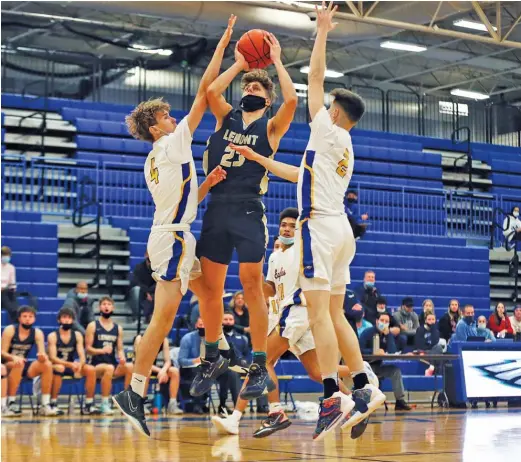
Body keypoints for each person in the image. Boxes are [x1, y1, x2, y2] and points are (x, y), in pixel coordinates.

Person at [230, 3, 386, 440]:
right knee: (336, 315)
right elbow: (299, 175)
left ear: (336, 113)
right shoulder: (344, 147)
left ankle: (333, 397)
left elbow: (314, 79)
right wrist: (259, 158)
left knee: (320, 314)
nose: (325, 104)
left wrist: (320, 31)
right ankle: (364, 386)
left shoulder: (327, 130)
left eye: (330, 105)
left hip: (318, 227)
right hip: (339, 230)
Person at [112, 16, 235, 437]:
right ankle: (135, 392)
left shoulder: (155, 158)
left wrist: (208, 185)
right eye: (166, 115)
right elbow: (206, 92)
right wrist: (229, 52)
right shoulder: (172, 142)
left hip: (172, 233)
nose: (173, 117)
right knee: (161, 321)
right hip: (173, 239)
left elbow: (179, 203)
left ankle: (214, 353)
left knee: (211, 293)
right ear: (155, 126)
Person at [192, 21, 298, 401]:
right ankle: (211, 355)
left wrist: (278, 62)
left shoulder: (271, 127)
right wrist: (238, 64)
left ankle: (256, 363)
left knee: (252, 286)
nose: (249, 89)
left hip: (249, 210)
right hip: (217, 208)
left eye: (256, 86)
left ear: (266, 99)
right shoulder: (226, 118)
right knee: (210, 288)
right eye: (247, 87)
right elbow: (209, 90)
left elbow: (293, 102)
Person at [211, 207, 371, 439]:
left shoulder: (302, 251)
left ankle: (273, 413)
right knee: (317, 372)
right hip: (287, 314)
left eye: (292, 225)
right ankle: (355, 401)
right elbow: (271, 289)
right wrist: (251, 284)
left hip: (299, 310)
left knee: (261, 360)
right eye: (284, 225)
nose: (287, 228)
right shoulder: (275, 256)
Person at [1, 306, 58, 416]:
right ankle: (11, 402)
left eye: (30, 316)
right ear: (19, 318)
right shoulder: (10, 330)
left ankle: (45, 404)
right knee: (18, 363)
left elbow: (41, 353)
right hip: (7, 364)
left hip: (23, 365)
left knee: (47, 364)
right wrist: (13, 357)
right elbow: (2, 352)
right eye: (25, 316)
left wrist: (42, 357)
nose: (28, 319)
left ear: (34, 319)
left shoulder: (37, 333)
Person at [47, 307, 100, 415]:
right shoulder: (53, 336)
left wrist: (80, 365)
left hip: (71, 365)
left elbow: (82, 354)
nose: (67, 320)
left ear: (73, 320)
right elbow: (52, 358)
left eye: (69, 318)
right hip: (56, 365)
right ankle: (53, 403)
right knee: (59, 368)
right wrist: (71, 364)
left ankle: (89, 404)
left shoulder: (77, 335)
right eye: (64, 318)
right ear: (59, 320)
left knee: (90, 369)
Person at [85, 297, 133, 415]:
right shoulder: (93, 326)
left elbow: (120, 349)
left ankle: (126, 403)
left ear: (113, 307)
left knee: (130, 367)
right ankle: (104, 404)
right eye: (104, 304)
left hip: (111, 364)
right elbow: (88, 349)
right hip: (95, 366)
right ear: (100, 307)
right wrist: (101, 350)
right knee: (109, 368)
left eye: (109, 304)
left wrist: (122, 358)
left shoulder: (118, 328)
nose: (106, 306)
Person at [359, 312, 411, 411]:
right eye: (382, 320)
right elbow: (359, 350)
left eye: (387, 321)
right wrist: (373, 352)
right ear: (377, 321)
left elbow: (392, 351)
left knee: (395, 371)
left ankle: (400, 401)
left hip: (378, 367)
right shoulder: (367, 332)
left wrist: (389, 336)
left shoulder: (386, 335)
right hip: (365, 367)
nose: (384, 323)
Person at [133, 334, 182, 415]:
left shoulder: (164, 339)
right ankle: (141, 404)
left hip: (152, 367)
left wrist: (163, 370)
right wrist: (160, 371)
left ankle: (172, 404)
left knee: (174, 371)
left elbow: (168, 361)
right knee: (147, 372)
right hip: (138, 367)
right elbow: (141, 361)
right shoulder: (140, 338)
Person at [216, 311, 249, 415]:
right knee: (232, 373)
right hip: (223, 368)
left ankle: (264, 405)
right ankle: (237, 407)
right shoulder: (217, 337)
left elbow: (247, 354)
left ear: (234, 321)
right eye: (225, 319)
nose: (228, 322)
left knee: (260, 371)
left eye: (230, 320)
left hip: (241, 365)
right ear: (220, 321)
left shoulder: (242, 338)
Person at [178, 317, 211, 414]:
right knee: (200, 370)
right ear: (196, 325)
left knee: (229, 373)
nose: (203, 327)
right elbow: (181, 361)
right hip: (190, 370)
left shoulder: (214, 339)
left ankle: (226, 405)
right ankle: (198, 404)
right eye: (201, 325)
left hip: (210, 369)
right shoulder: (187, 338)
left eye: (205, 325)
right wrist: (194, 361)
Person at [128, 252, 156, 323]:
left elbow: (159, 282)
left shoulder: (158, 269)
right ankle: (137, 318)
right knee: (136, 290)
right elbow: (135, 282)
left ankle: (154, 319)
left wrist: (150, 292)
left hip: (154, 293)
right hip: (142, 293)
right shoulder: (139, 267)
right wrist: (146, 292)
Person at [414, 312, 444, 377]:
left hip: (431, 352)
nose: (431, 321)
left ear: (435, 320)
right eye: (429, 319)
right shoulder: (420, 329)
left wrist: (433, 329)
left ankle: (431, 367)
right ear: (425, 320)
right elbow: (419, 344)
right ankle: (434, 370)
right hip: (423, 351)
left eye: (433, 319)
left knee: (439, 347)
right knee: (438, 355)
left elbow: (435, 342)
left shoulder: (436, 331)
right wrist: (427, 347)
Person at [1, 246, 18, 323]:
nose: (6, 258)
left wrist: (12, 288)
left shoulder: (11, 268)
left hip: (6, 290)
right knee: (4, 295)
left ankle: (16, 311)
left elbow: (12, 282)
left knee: (12, 294)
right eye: (4, 255)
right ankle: (12, 311)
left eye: (8, 256)